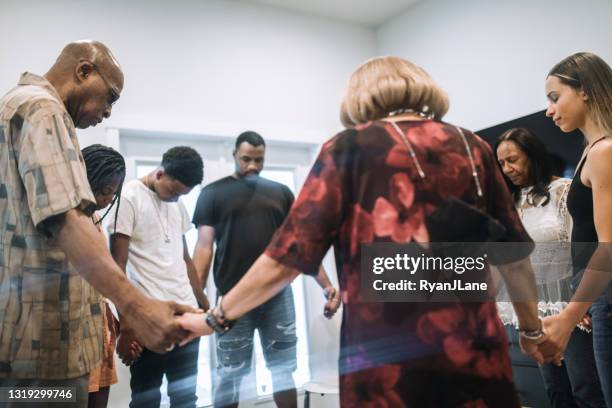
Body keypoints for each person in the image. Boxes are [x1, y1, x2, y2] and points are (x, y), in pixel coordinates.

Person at [179, 56, 551, 407]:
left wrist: (215, 317)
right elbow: (514, 257)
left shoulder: (347, 149)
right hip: (475, 349)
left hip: (388, 358)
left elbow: (288, 258)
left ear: (359, 96)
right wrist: (531, 331)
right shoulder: (474, 147)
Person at [0, 41, 193, 407]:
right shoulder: (43, 108)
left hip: (32, 347)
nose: (107, 112)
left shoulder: (19, 105)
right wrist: (137, 307)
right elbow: (68, 222)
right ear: (84, 71)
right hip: (44, 353)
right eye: (110, 98)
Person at [191, 131, 341, 408]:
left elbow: (301, 246)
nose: (252, 166)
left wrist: (327, 286)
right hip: (233, 298)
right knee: (229, 374)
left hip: (277, 298)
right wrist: (197, 300)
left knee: (283, 371)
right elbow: (203, 248)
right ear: (235, 154)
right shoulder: (212, 194)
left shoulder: (281, 194)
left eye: (258, 160)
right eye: (246, 159)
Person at [496, 128, 606, 408]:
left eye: (513, 159)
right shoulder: (512, 204)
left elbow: (582, 248)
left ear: (532, 156)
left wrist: (581, 304)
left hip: (572, 305)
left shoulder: (565, 191)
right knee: (555, 390)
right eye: (502, 163)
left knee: (585, 389)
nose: (507, 169)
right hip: (537, 311)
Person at [541, 52, 612, 407]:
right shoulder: (591, 152)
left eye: (555, 98)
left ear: (583, 89)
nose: (549, 110)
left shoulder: (604, 152)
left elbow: (609, 246)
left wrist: (569, 314)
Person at [109, 146, 204, 408]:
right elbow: (118, 265)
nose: (175, 200)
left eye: (181, 195)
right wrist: (126, 327)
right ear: (160, 173)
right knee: (146, 400)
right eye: (173, 192)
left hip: (186, 316)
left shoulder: (177, 203)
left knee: (186, 399)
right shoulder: (128, 197)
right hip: (149, 319)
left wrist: (203, 304)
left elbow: (184, 259)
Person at [81, 144, 126, 408]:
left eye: (113, 193)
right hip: (73, 332)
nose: (109, 199)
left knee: (98, 398)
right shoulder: (69, 219)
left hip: (100, 328)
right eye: (104, 191)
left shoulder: (95, 217)